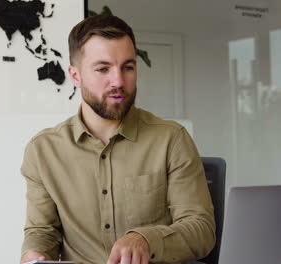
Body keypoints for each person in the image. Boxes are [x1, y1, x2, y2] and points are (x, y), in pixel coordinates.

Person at [20, 15, 215, 264]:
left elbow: (201, 230)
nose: (119, 82)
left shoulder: (171, 139)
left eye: (128, 67)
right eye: (103, 69)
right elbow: (42, 232)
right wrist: (33, 254)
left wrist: (145, 240)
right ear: (75, 75)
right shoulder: (43, 151)